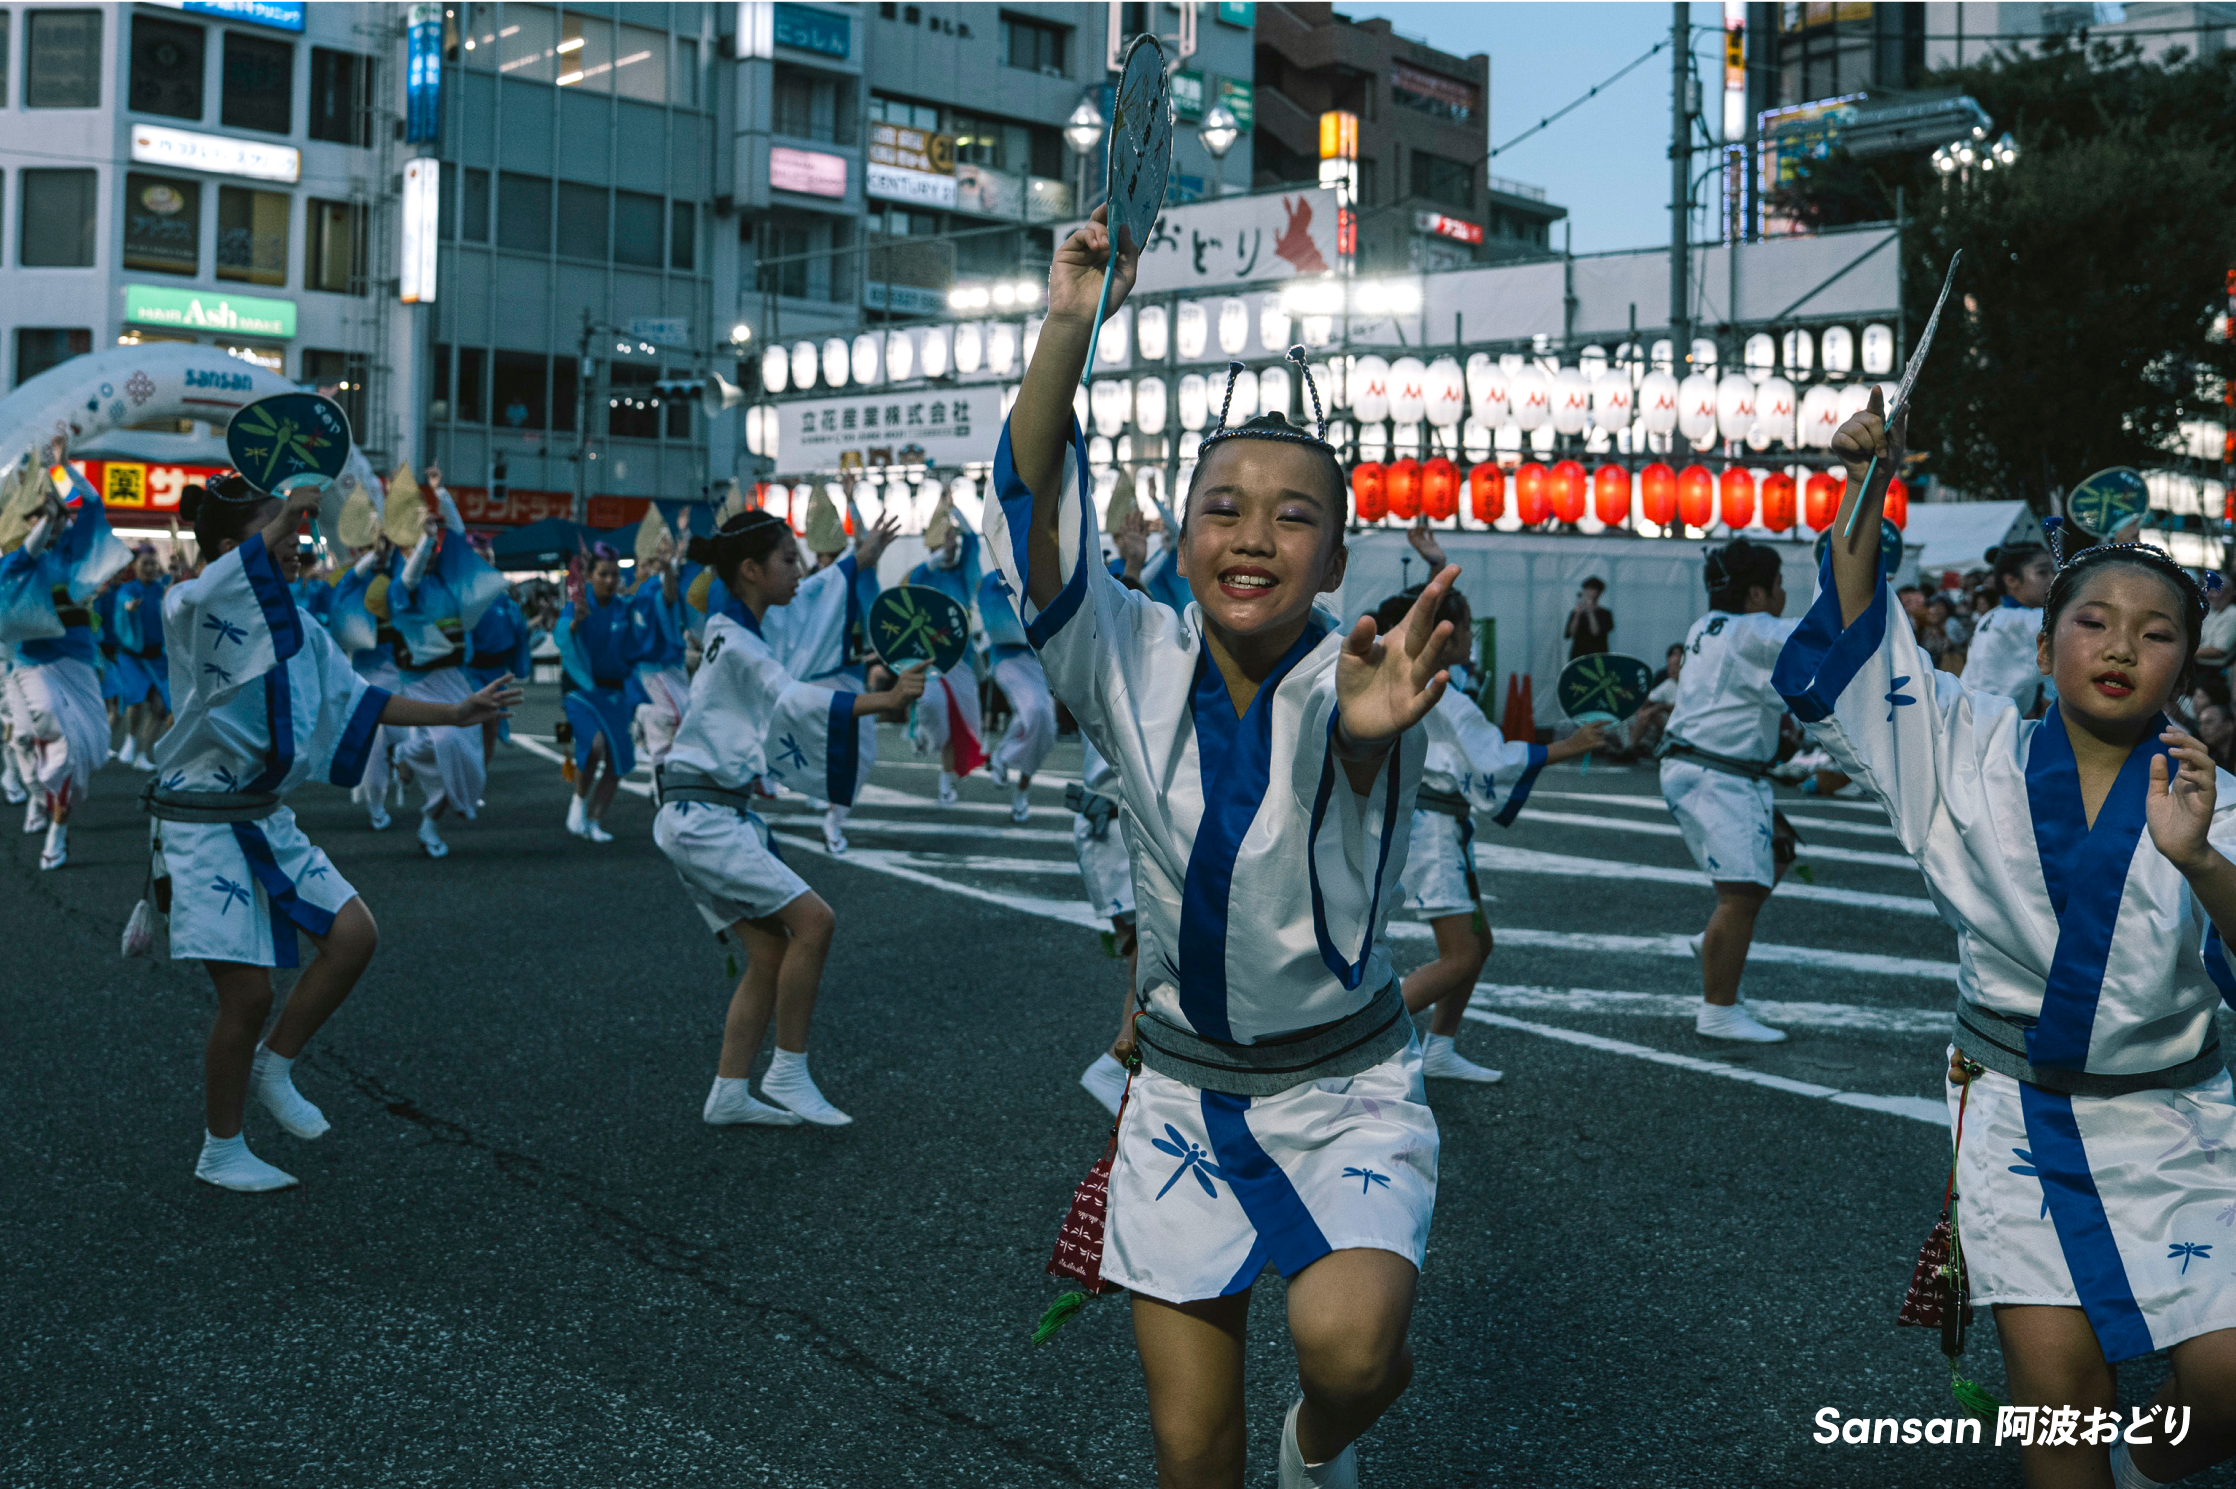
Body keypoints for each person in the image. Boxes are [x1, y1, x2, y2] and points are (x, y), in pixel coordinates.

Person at [992, 204, 1451, 1489]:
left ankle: (1317, 1452)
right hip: (1185, 1093)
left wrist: (1363, 732)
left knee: (1352, 1355)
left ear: (1338, 553)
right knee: (1191, 1457)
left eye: (1291, 517)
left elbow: (1359, 752)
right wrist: (1069, 325)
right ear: (1180, 532)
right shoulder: (1125, 648)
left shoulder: (1368, 674)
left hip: (1342, 1085)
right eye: (1223, 508)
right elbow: (1032, 509)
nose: (1251, 536)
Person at [1778, 390, 2236, 1489]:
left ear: (2188, 663)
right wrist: (1862, 484)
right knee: (2059, 1402)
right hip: (2015, 1110)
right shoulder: (1961, 746)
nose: (2121, 644)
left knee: (2223, 1389)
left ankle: (2150, 1456)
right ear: (2040, 640)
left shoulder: (2211, 798)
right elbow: (1859, 631)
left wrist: (2200, 858)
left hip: (2174, 1116)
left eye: (2156, 631)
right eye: (2094, 621)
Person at [152, 475, 519, 1191]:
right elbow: (212, 590)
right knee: (246, 996)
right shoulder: (189, 605)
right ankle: (220, 1146)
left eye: (297, 531)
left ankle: (276, 1061)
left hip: (261, 814)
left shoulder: (299, 626)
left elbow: (360, 699)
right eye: (284, 531)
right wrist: (289, 502)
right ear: (231, 549)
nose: (299, 543)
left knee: (354, 936)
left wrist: (456, 713)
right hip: (200, 820)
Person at [654, 508, 924, 1128]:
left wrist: (856, 561)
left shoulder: (728, 624)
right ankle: (788, 1069)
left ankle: (729, 1091)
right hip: (705, 818)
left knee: (772, 951)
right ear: (750, 570)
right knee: (815, 923)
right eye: (787, 560)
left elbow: (806, 606)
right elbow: (791, 694)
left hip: (696, 812)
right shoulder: (745, 644)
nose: (801, 572)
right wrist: (882, 698)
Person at [1387, 522, 1605, 1084]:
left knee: (1478, 944)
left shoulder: (1424, 678)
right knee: (1459, 954)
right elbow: (1494, 759)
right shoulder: (1438, 691)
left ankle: (1438, 1048)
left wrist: (1439, 565)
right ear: (1448, 630)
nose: (1468, 631)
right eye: (1460, 621)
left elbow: (1419, 624)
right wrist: (1569, 745)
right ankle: (1359, 1036)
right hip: (1434, 830)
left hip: (1440, 826)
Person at [1657, 537, 1802, 1043]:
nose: (1785, 594)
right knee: (1739, 895)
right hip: (1715, 773)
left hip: (1716, 770)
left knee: (1778, 853)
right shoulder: (1755, 631)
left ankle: (1712, 942)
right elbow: (1822, 639)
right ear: (1758, 595)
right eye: (1780, 584)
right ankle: (1717, 1011)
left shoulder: (1708, 626)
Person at [0, 451, 131, 870]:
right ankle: (42, 800)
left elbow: (93, 502)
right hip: (31, 663)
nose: (54, 521)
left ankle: (58, 825)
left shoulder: (74, 548)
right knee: (38, 729)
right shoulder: (21, 558)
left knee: (86, 748)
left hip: (77, 659)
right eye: (45, 515)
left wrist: (63, 466)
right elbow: (33, 544)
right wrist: (44, 512)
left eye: (57, 514)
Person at [906, 488, 1057, 821]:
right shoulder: (957, 578)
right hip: (940, 658)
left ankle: (1017, 787)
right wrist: (949, 530)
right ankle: (928, 741)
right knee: (935, 708)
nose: (951, 549)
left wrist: (955, 511)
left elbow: (973, 544)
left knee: (1042, 726)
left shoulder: (983, 576)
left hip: (982, 661)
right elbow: (917, 582)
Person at [384, 469, 508, 858]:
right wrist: (423, 539)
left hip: (456, 676)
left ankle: (429, 819)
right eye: (416, 549)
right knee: (449, 742)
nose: (429, 553)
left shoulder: (446, 580)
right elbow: (409, 574)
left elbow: (455, 534)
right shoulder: (401, 587)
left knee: (464, 756)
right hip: (419, 683)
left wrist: (441, 494)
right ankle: (406, 755)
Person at [555, 543, 645, 843]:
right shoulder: (579, 604)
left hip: (615, 693)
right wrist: (576, 622)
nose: (610, 580)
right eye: (603, 574)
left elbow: (637, 644)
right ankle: (578, 801)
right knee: (593, 746)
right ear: (590, 577)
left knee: (617, 760)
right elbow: (561, 633)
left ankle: (595, 820)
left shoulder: (624, 608)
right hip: (581, 690)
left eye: (614, 574)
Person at [1966, 541, 2058, 717]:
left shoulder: (1992, 615)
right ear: (2011, 580)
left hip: (1973, 717)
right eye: (2042, 572)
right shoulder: (2027, 620)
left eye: (2052, 571)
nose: (2053, 579)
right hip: (1995, 726)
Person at [463, 538, 533, 767]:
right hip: (470, 672)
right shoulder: (461, 592)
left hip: (496, 671)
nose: (484, 564)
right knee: (472, 723)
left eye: (488, 559)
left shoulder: (503, 597)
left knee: (491, 725)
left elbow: (517, 631)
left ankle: (478, 776)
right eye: (479, 559)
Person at [111, 543, 173, 770]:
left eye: (152, 563)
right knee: (135, 699)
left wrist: (176, 573)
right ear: (134, 566)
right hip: (132, 657)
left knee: (159, 707)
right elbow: (123, 604)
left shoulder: (160, 589)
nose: (149, 568)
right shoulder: (128, 590)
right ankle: (129, 738)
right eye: (144, 563)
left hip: (156, 658)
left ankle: (142, 753)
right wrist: (129, 608)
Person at [1627, 642, 1686, 758]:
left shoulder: (1690, 685)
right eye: (1670, 666)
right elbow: (1648, 699)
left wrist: (1658, 707)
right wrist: (1643, 707)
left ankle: (1634, 747)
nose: (1672, 669)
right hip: (1668, 721)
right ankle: (1630, 748)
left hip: (1684, 722)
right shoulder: (1669, 684)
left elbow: (1682, 707)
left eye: (1676, 665)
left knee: (1655, 714)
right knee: (1645, 714)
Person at [2197, 566, 2236, 676]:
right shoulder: (2210, 611)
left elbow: (2218, 651)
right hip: (2199, 667)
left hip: (2215, 673)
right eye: (2208, 590)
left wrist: (2187, 652)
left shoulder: (2232, 614)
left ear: (2228, 594)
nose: (2209, 595)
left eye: (2214, 591)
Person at [1564, 576, 1611, 660]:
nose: (1589, 593)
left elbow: (1596, 632)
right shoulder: (1576, 612)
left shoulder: (1605, 613)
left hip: (1598, 656)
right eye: (1586, 589)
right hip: (1578, 655)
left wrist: (1590, 612)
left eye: (1592, 590)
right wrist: (1577, 615)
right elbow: (1570, 633)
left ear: (1599, 593)